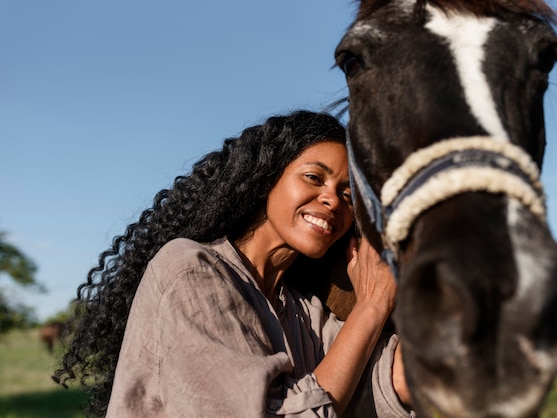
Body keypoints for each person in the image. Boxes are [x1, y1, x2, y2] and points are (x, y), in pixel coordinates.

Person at [54, 110, 413, 417]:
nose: (332, 200)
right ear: (266, 179)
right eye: (314, 177)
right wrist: (371, 306)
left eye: (348, 194)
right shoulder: (191, 270)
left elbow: (391, 378)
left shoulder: (301, 312)